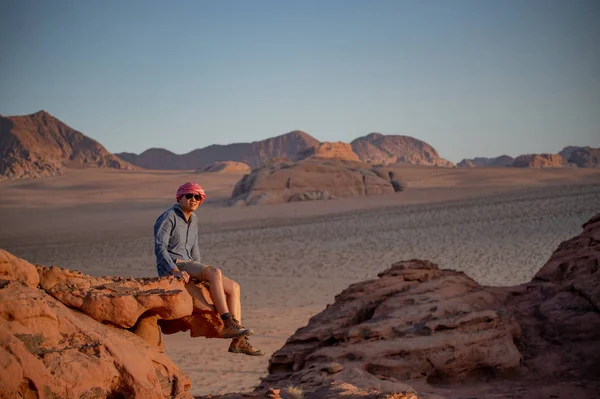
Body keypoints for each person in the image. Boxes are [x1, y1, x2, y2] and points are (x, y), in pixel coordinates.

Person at [154, 182, 263, 356]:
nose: (193, 200)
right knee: (215, 272)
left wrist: (200, 273)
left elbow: (194, 249)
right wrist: (174, 270)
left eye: (197, 197)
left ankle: (238, 341)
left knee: (234, 287)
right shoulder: (169, 217)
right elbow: (160, 248)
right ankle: (228, 322)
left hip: (189, 264)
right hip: (175, 263)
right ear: (179, 197)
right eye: (189, 196)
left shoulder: (194, 219)